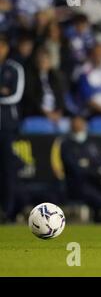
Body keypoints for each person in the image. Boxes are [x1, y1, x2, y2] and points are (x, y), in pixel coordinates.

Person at [60, 116, 101, 222]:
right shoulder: (66, 144)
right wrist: (91, 165)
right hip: (78, 184)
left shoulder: (92, 143)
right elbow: (74, 167)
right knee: (100, 200)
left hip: (97, 181)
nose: (79, 127)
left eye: (81, 124)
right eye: (76, 124)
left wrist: (88, 163)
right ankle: (100, 219)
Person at [0, 34, 25, 222]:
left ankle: (7, 210)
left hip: (6, 126)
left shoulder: (14, 68)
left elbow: (15, 96)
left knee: (7, 169)